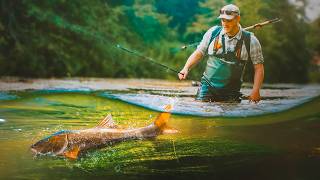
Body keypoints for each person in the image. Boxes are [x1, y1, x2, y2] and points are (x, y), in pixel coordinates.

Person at [178, 4, 264, 103]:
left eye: (229, 20)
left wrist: (256, 90)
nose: (225, 23)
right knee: (201, 111)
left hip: (232, 92)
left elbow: (258, 68)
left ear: (238, 18)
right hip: (207, 88)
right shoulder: (212, 33)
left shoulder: (251, 40)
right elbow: (199, 53)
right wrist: (186, 68)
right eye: (223, 20)